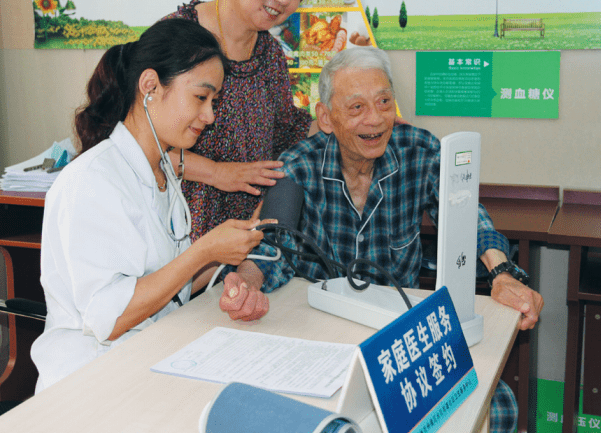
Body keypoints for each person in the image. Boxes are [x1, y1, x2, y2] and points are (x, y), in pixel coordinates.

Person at [217, 47, 544, 433]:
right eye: (356, 108)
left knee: (498, 403)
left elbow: (466, 213)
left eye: (384, 101)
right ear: (325, 118)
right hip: (318, 333)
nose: (375, 119)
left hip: (397, 334)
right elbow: (271, 247)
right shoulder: (297, 165)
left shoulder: (418, 150)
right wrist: (247, 285)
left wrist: (502, 273)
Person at [30, 19, 266, 391]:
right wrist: (205, 250)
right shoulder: (94, 180)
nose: (210, 116)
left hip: (149, 359)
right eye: (201, 98)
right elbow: (110, 318)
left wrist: (227, 259)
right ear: (150, 86)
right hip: (90, 384)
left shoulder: (162, 174)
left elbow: (168, 284)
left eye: (214, 101)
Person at [165, 0, 323, 260]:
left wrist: (338, 122)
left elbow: (286, 131)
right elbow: (140, 139)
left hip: (247, 237)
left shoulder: (269, 53)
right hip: (178, 232)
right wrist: (218, 173)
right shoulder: (178, 36)